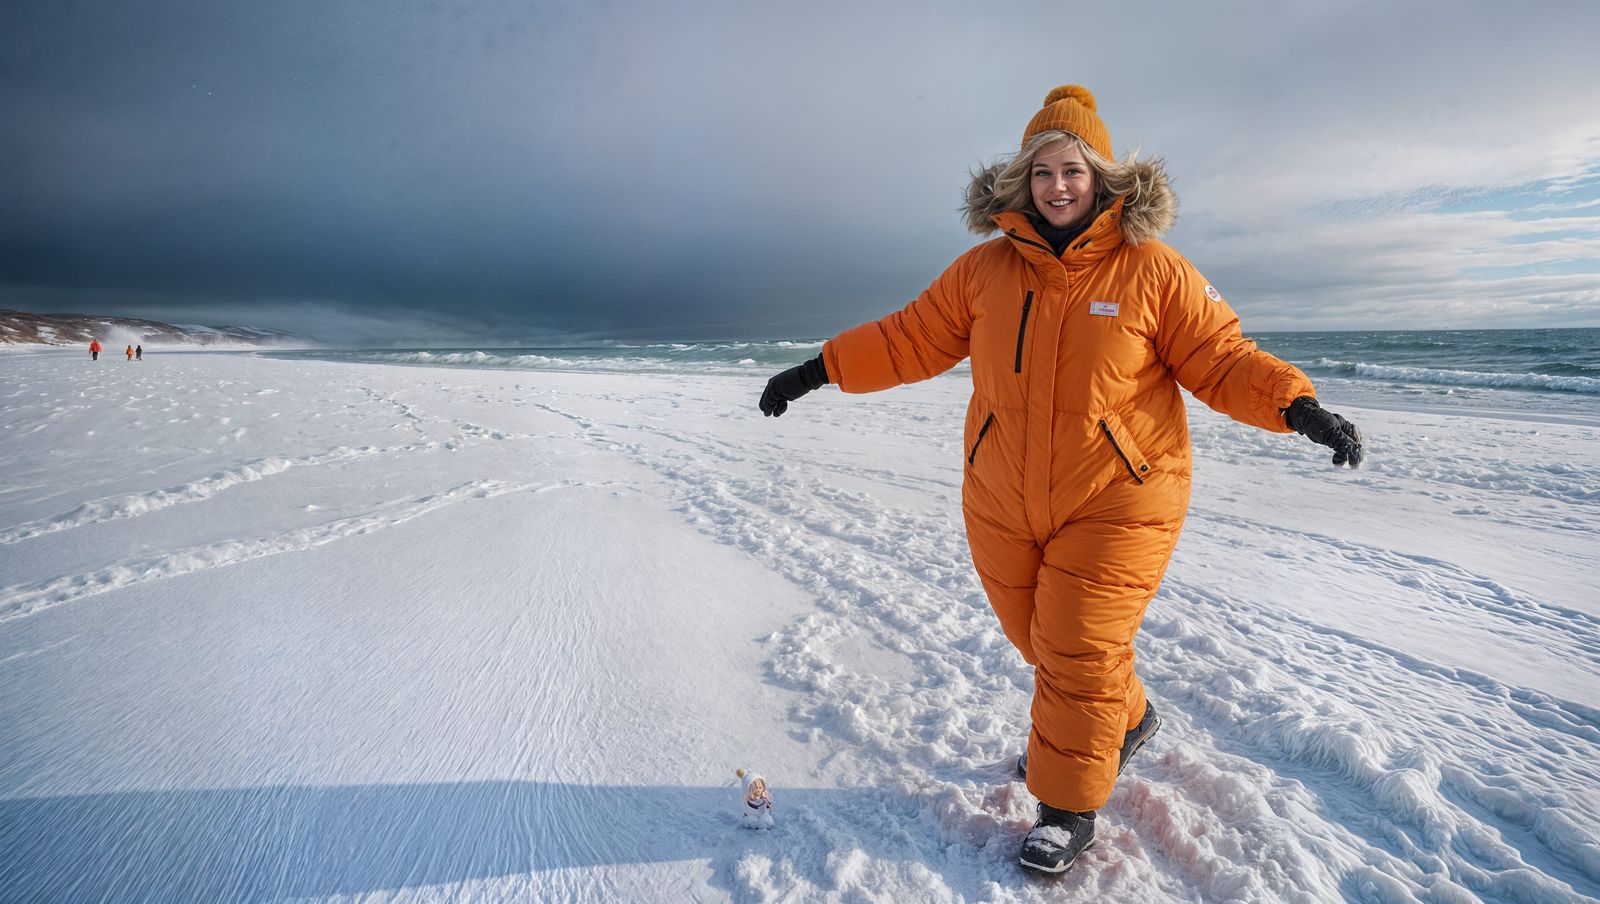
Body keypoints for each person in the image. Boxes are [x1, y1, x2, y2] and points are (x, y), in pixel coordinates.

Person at [758, 85, 1363, 875]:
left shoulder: (1154, 270)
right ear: (1021, 182)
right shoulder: (985, 271)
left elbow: (1221, 356)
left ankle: (1066, 808)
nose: (1057, 186)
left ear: (1102, 177)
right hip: (1004, 493)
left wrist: (1298, 405)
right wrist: (816, 371)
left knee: (1078, 645)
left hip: (1122, 496)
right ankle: (1129, 718)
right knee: (1044, 641)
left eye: (1072, 169)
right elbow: (908, 339)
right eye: (1041, 171)